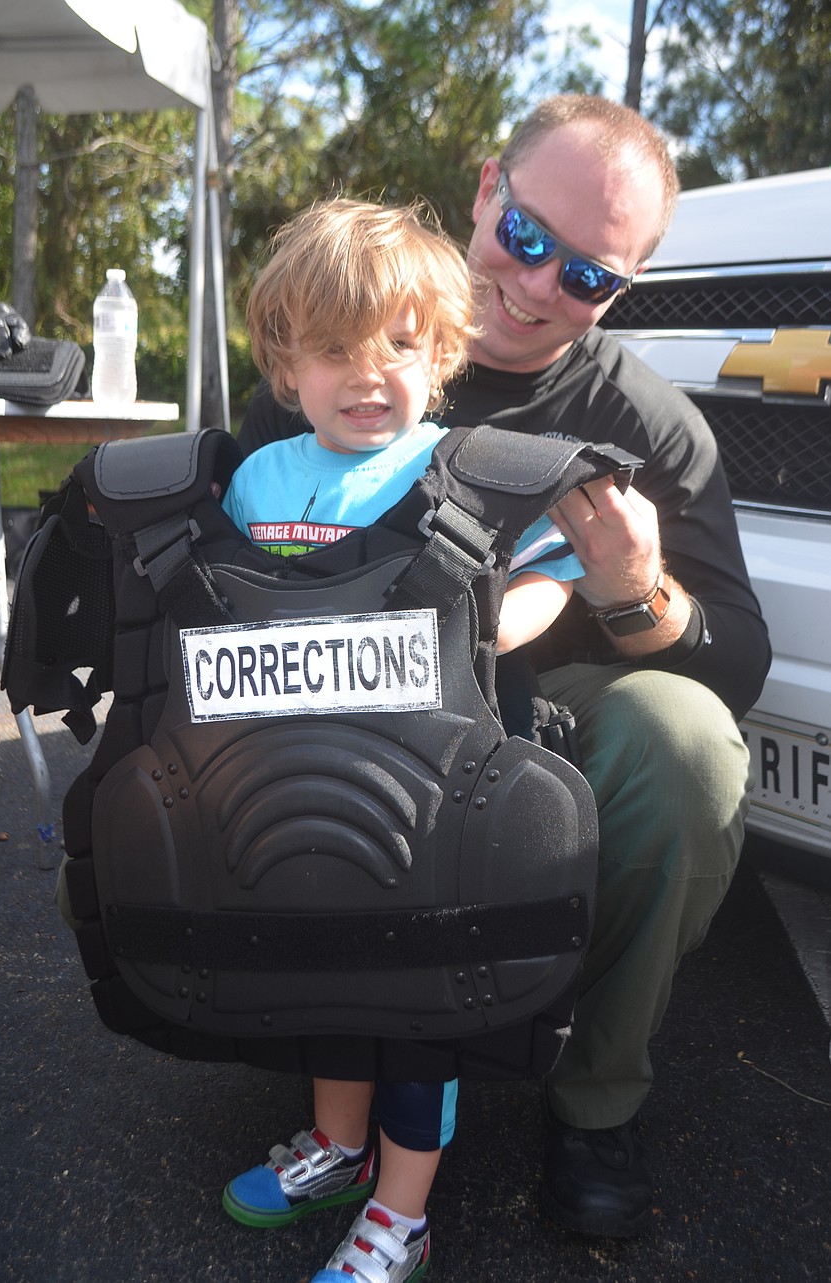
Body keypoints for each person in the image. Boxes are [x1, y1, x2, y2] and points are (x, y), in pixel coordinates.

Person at [237, 95, 771, 1240]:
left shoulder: (645, 423)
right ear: (486, 190)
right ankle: (320, 1043)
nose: (535, 288)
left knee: (683, 743)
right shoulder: (343, 323)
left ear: (621, 291)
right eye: (525, 237)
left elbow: (735, 665)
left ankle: (595, 1099)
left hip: (543, 704)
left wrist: (630, 583)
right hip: (356, 710)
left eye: (586, 276)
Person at [220, 197, 588, 1283]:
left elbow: (545, 580)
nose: (368, 371)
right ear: (288, 365)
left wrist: (500, 622)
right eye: (333, 349)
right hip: (301, 784)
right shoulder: (260, 480)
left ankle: (402, 1208)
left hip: (438, 797)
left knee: (419, 1001)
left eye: (399, 343)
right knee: (325, 979)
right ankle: (338, 1146)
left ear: (443, 350)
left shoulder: (473, 467)